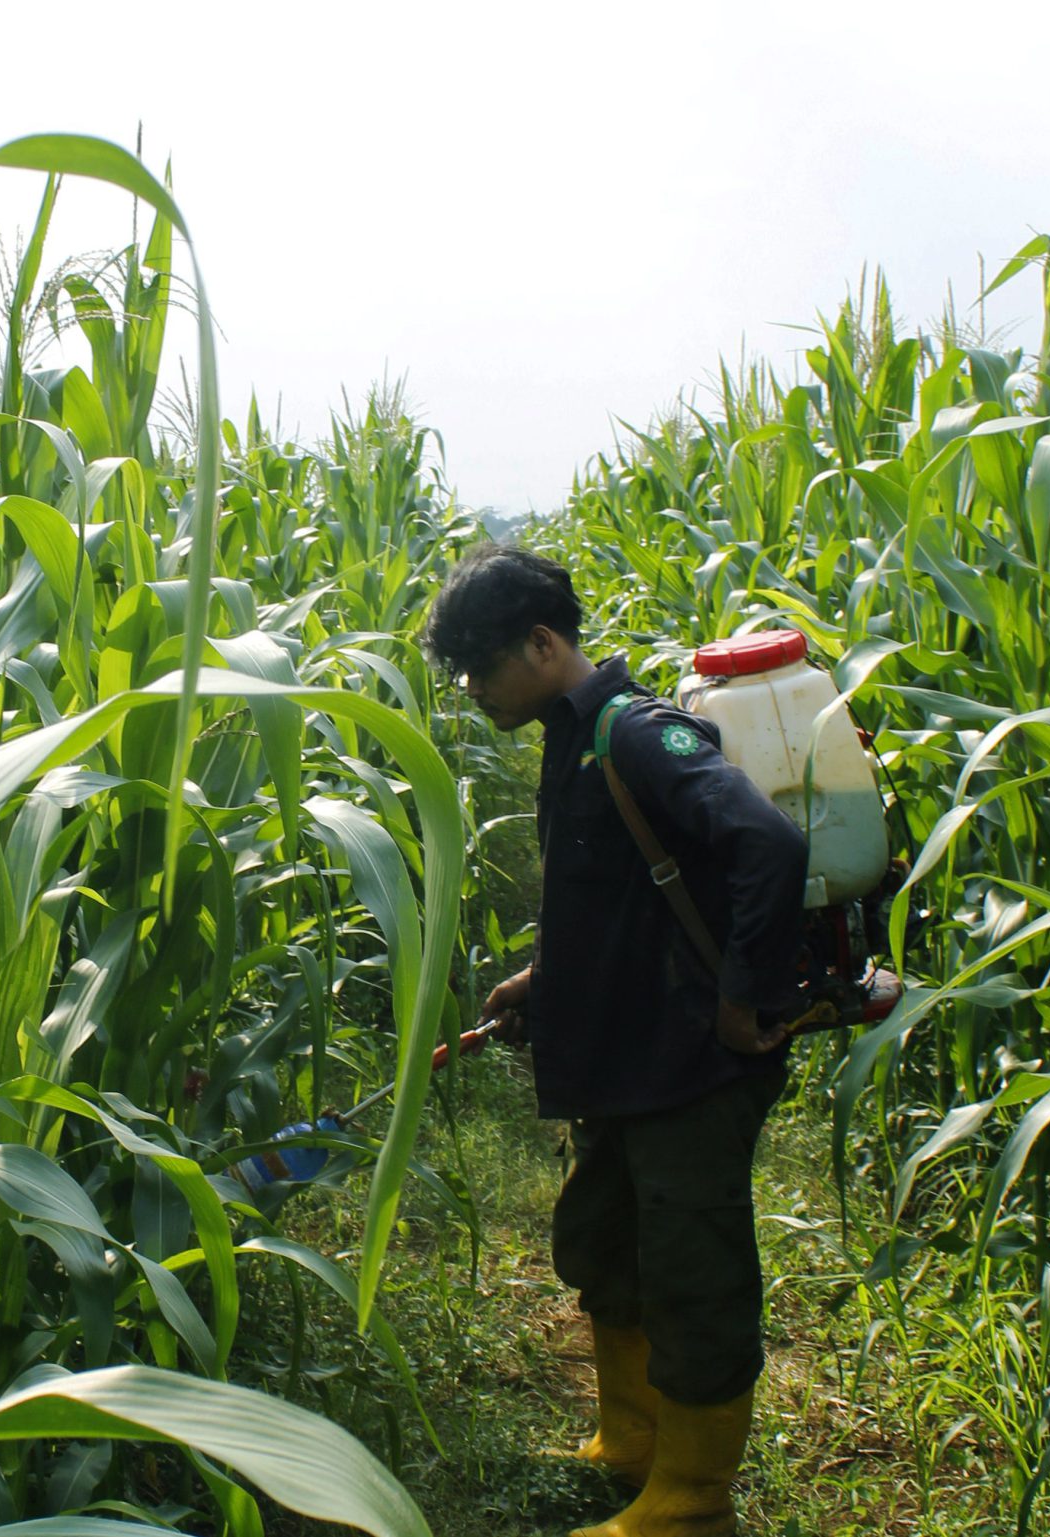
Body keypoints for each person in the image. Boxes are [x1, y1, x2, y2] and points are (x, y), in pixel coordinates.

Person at [425, 544, 808, 1537]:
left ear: (541, 643)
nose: (471, 691)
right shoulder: (572, 740)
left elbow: (766, 843)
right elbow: (624, 894)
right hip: (624, 1061)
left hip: (685, 1062)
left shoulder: (633, 733)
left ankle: (690, 1500)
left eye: (479, 668)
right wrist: (543, 980)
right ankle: (630, 1442)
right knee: (606, 1245)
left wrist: (742, 999)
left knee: (692, 1269)